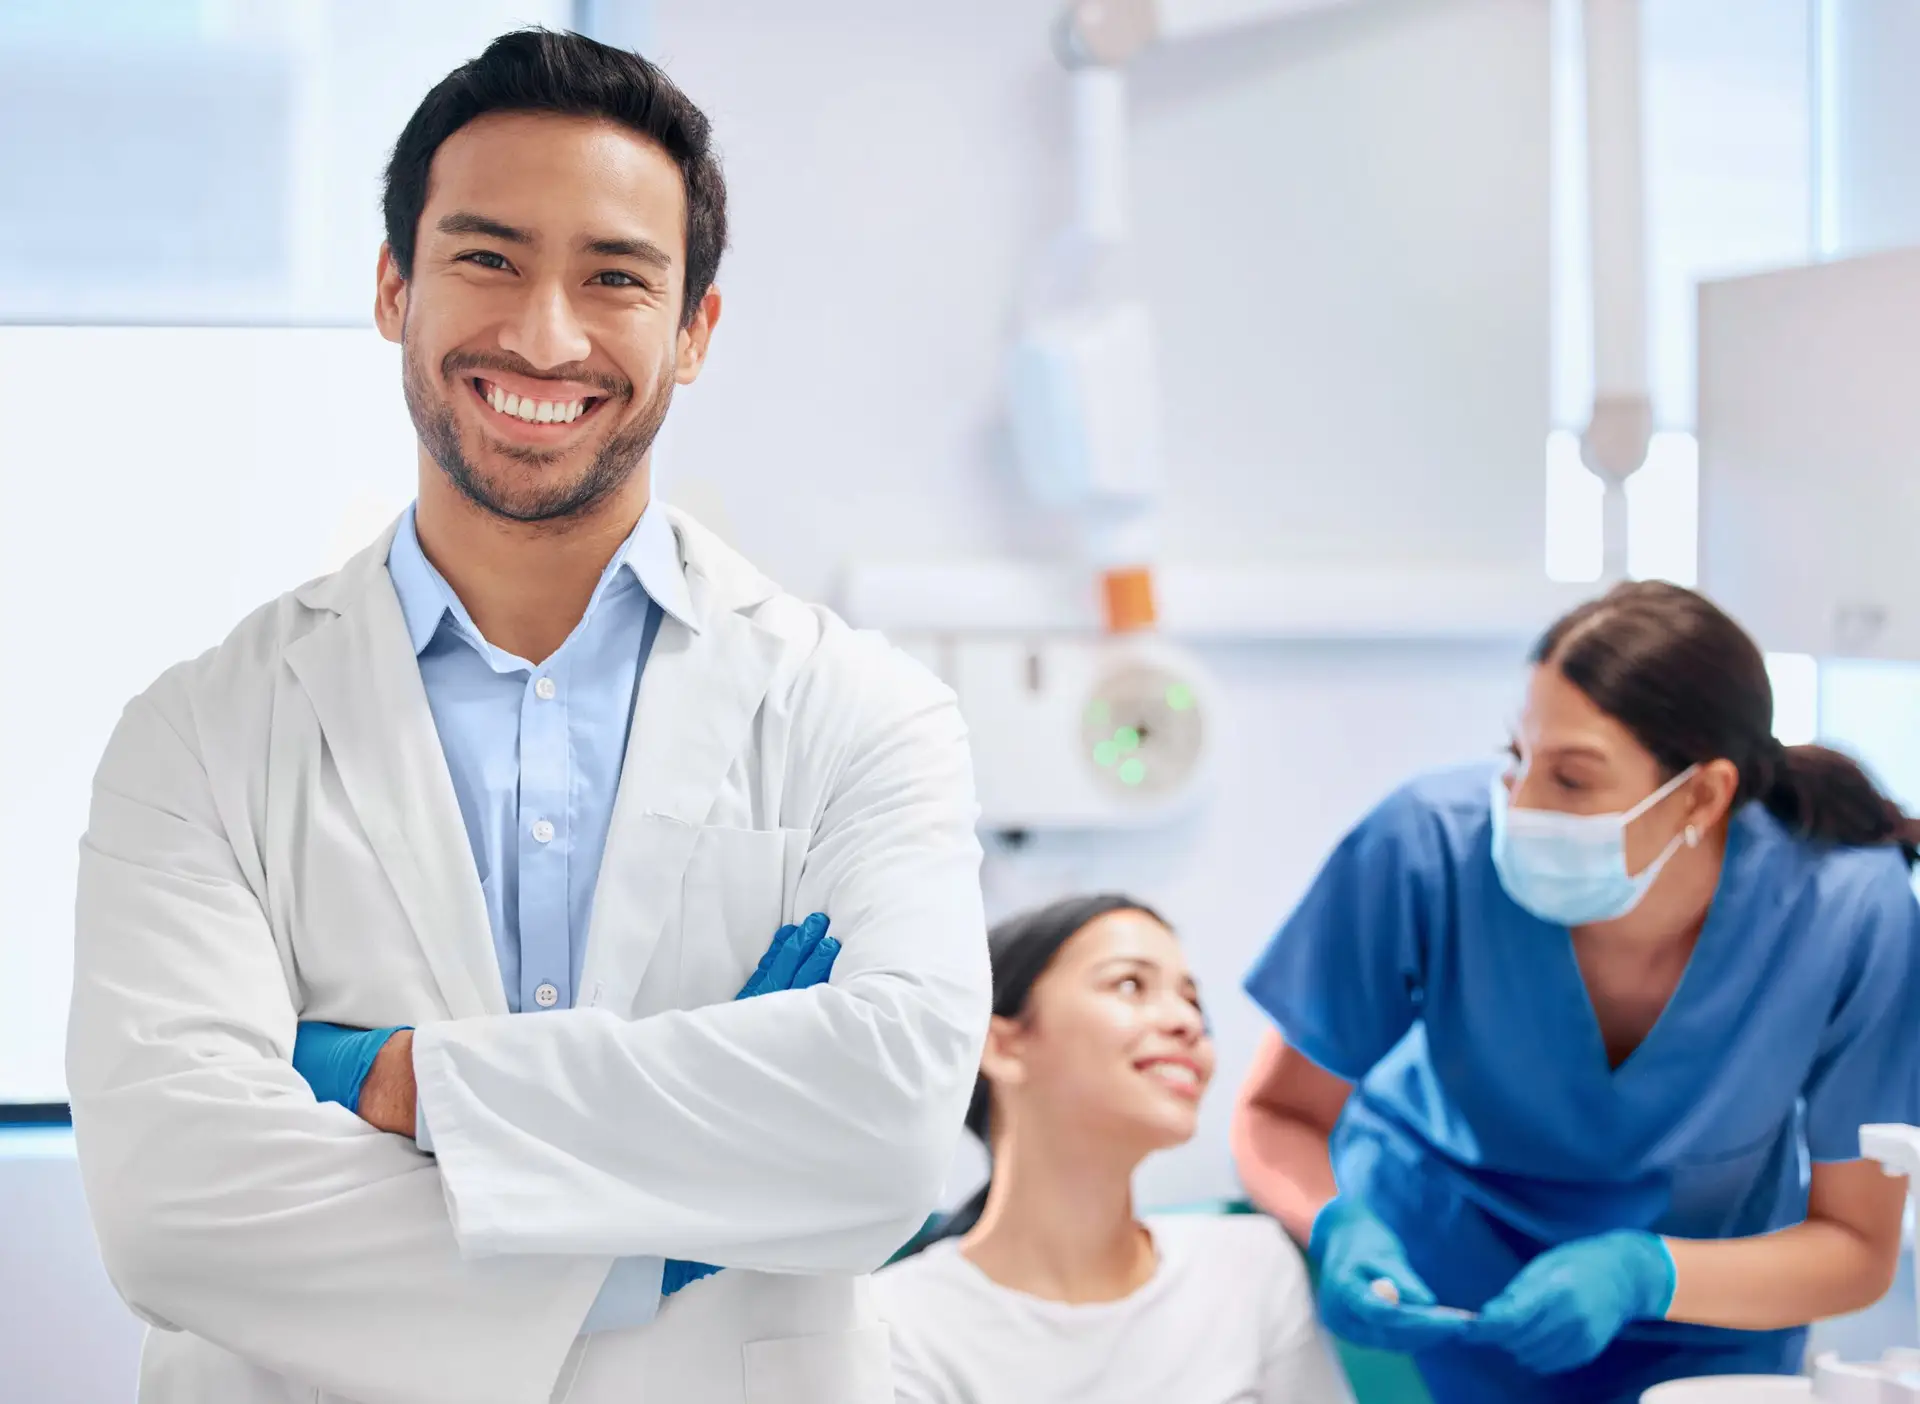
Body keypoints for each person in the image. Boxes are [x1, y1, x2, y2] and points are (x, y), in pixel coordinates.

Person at [65, 30, 990, 1404]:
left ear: (695, 330)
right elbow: (179, 1206)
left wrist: (407, 1084)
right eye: (488, 258)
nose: (546, 336)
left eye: (616, 276)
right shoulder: (199, 735)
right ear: (395, 288)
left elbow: (893, 1129)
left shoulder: (864, 714)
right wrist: (657, 1246)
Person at [1233, 580, 1920, 1404]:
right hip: (1433, 1302)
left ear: (1701, 795)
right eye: (1517, 757)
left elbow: (1856, 1246)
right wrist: (1335, 1224)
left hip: (1707, 1323)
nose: (1518, 806)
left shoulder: (1845, 910)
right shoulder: (1429, 846)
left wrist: (1646, 1273)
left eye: (1571, 778)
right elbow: (1277, 1114)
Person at [876, 894, 1354, 1403]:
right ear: (1000, 1045)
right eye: (1130, 985)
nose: (1187, 1022)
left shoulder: (1251, 1268)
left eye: (1192, 1001)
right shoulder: (894, 1326)